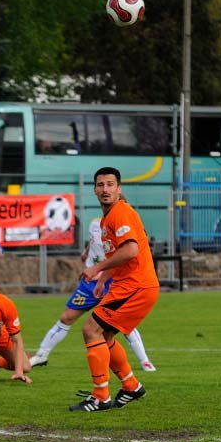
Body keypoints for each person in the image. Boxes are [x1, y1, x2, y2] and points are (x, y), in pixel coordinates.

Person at [68, 167, 160, 412]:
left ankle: (101, 396)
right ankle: (131, 386)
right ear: (95, 190)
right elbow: (121, 254)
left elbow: (130, 250)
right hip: (129, 284)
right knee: (103, 335)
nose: (105, 189)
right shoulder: (109, 217)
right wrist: (103, 277)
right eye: (100, 185)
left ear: (119, 189)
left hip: (136, 285)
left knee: (91, 329)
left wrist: (96, 268)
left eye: (110, 184)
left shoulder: (120, 213)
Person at [29, 216, 156, 372]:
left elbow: (126, 252)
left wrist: (102, 273)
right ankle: (42, 355)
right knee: (67, 317)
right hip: (90, 283)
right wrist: (86, 252)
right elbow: (93, 240)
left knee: (123, 324)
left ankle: (144, 361)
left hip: (113, 281)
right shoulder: (96, 222)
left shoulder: (124, 225)